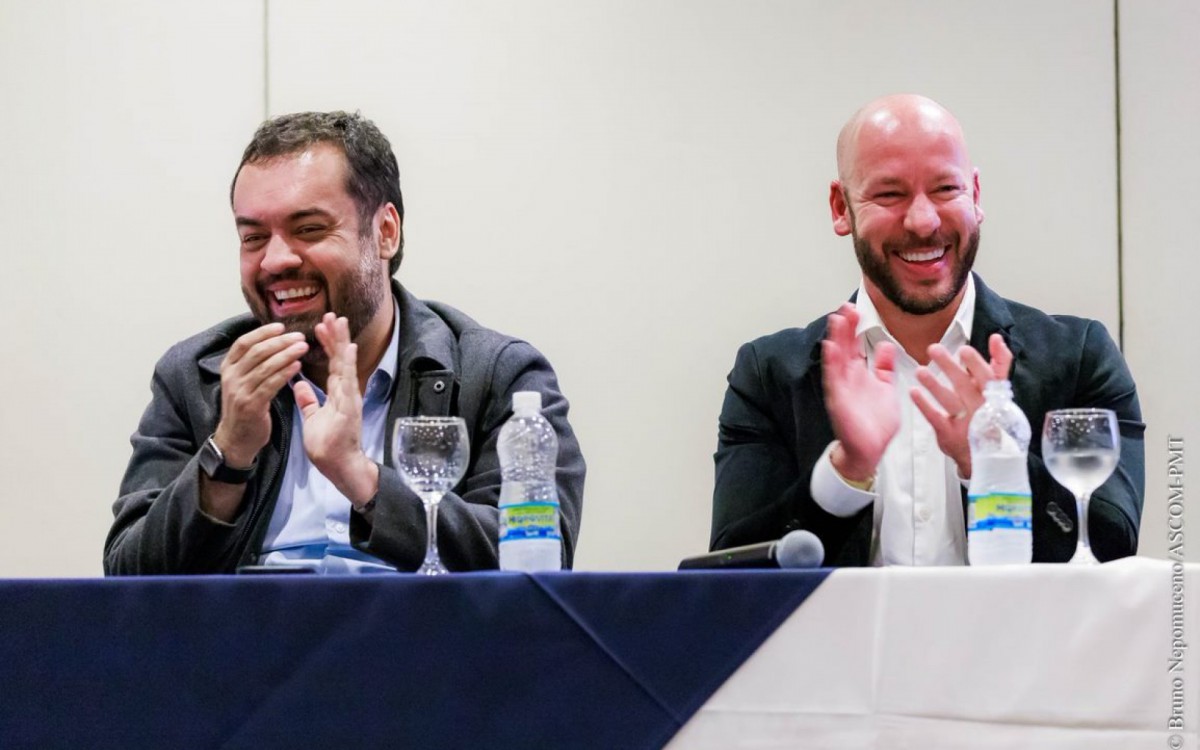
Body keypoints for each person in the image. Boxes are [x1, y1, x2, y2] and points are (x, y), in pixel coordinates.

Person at [105, 111, 585, 574]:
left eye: (308, 229)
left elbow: (538, 567)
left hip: (421, 649)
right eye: (253, 238)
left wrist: (360, 476)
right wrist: (227, 454)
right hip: (245, 650)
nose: (274, 260)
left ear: (385, 233)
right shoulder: (195, 378)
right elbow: (127, 579)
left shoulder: (496, 375)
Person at [711, 94, 1143, 566]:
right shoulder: (769, 375)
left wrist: (991, 463)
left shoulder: (1079, 357)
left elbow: (1113, 549)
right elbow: (733, 575)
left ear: (975, 197)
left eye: (945, 190)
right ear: (841, 207)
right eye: (890, 194)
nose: (923, 221)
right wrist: (847, 473)